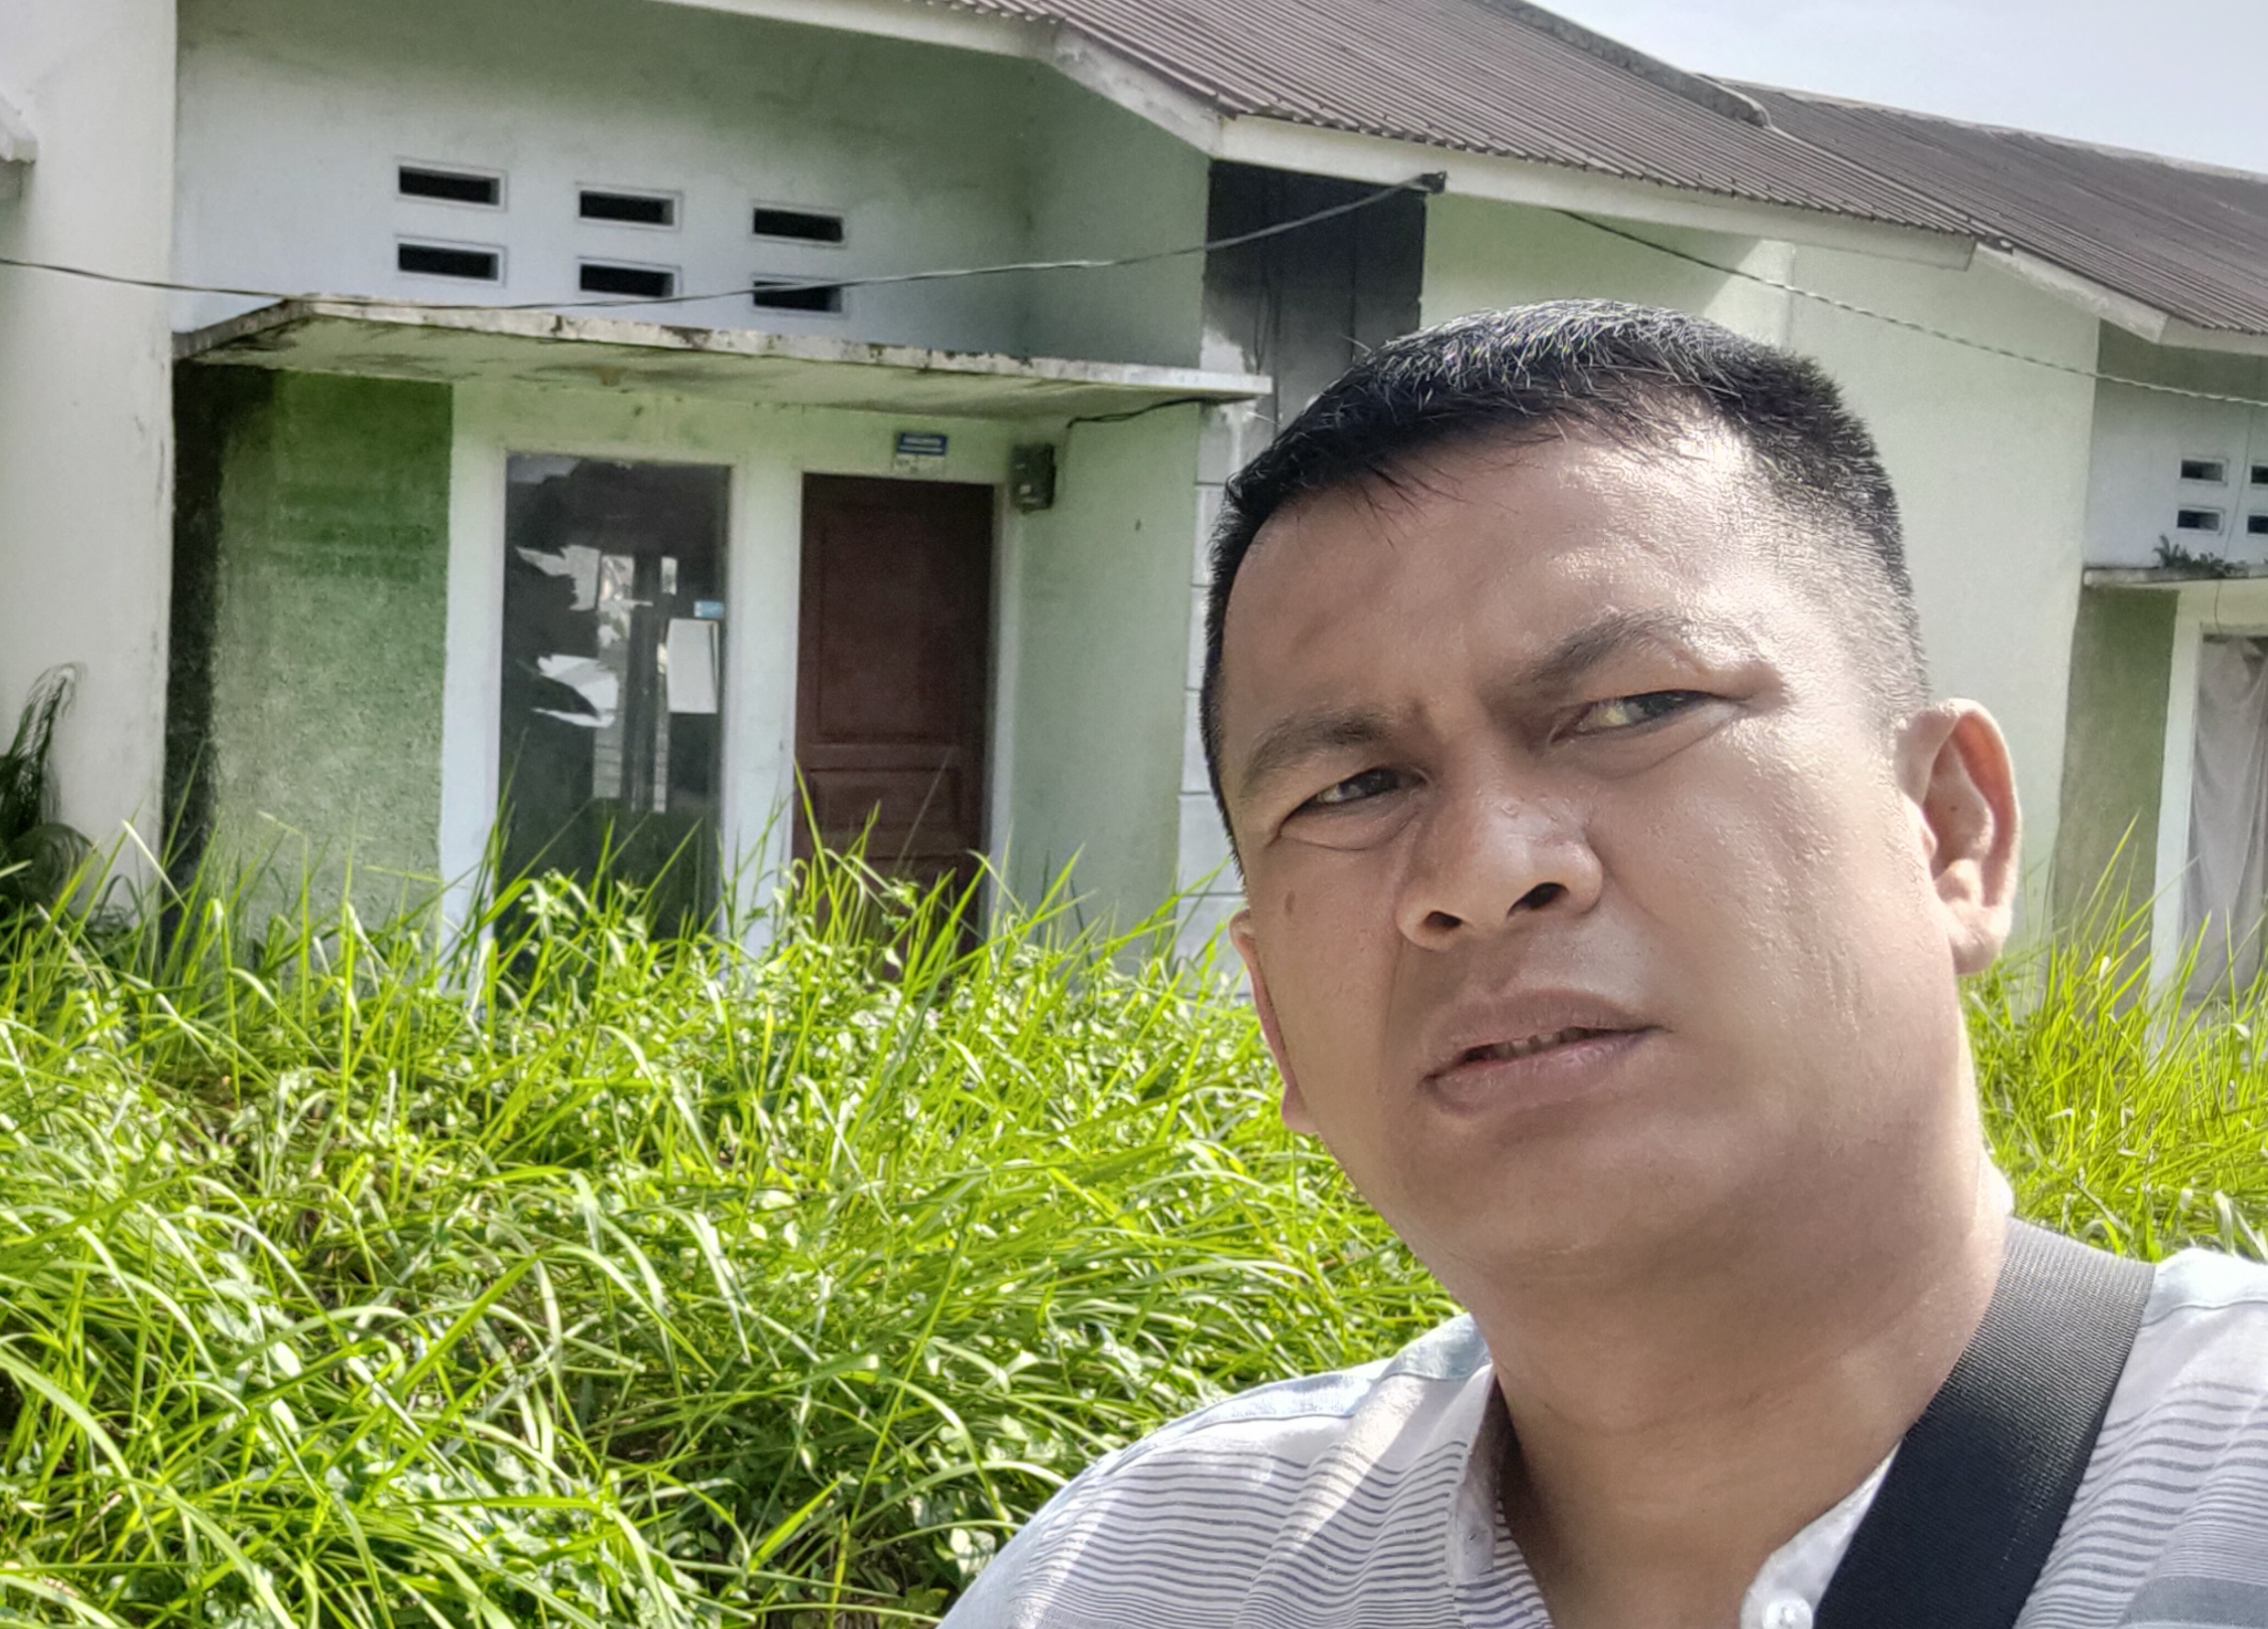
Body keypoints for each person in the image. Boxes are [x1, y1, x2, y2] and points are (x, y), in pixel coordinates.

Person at [939, 301, 2268, 1629]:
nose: (1479, 869)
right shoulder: (1124, 1580)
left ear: (1946, 833)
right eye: (1352, 788)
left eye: (1633, 708)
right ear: (1272, 1011)